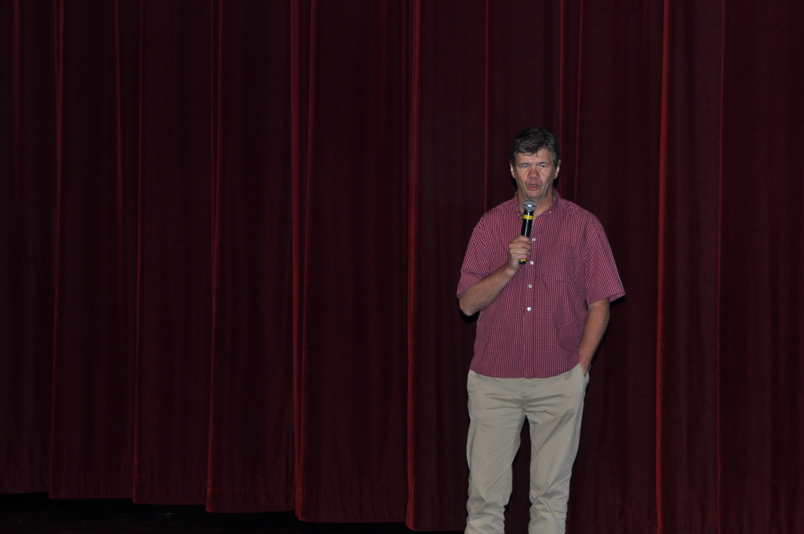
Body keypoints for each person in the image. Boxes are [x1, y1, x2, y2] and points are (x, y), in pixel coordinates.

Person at [457, 127, 625, 533]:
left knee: (550, 499)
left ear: (557, 169)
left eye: (542, 165)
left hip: (558, 379)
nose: (533, 175)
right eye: (525, 165)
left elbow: (601, 303)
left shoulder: (583, 226)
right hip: (494, 382)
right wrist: (507, 268)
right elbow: (467, 304)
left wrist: (579, 369)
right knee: (484, 501)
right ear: (511, 170)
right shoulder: (490, 226)